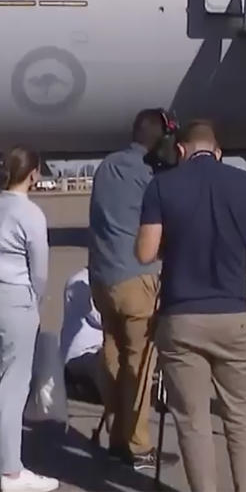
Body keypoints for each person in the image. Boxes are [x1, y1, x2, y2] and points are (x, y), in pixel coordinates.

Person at [136, 120, 246, 492]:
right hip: (232, 312)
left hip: (181, 315)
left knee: (193, 419)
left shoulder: (161, 186)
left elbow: (145, 252)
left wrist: (173, 245)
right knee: (243, 414)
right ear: (218, 152)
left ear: (181, 150)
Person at [0, 146, 58, 492]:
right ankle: (12, 471)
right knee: (13, 385)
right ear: (33, 174)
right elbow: (41, 271)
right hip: (14, 298)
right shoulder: (29, 213)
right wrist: (36, 303)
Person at [87, 109, 167, 471]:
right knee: (140, 362)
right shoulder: (150, 173)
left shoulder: (108, 165)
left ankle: (118, 436)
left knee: (113, 354)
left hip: (103, 276)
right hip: (137, 277)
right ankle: (138, 445)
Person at [59, 267, 105, 405]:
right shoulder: (79, 281)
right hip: (79, 354)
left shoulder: (100, 279)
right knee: (107, 359)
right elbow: (99, 318)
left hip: (96, 349)